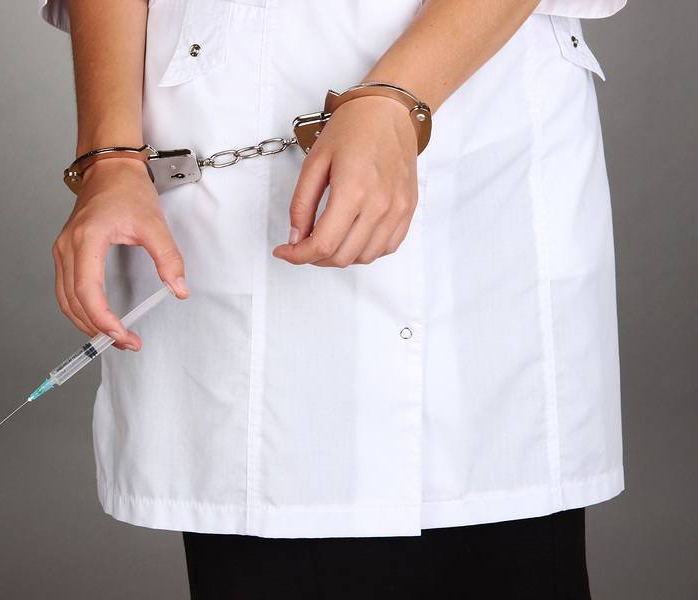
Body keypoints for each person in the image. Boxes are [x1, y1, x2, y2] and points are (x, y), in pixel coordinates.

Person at [37, 0, 627, 597]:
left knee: (502, 543)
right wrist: (107, 159)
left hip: (485, 138)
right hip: (227, 125)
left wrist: (398, 96)